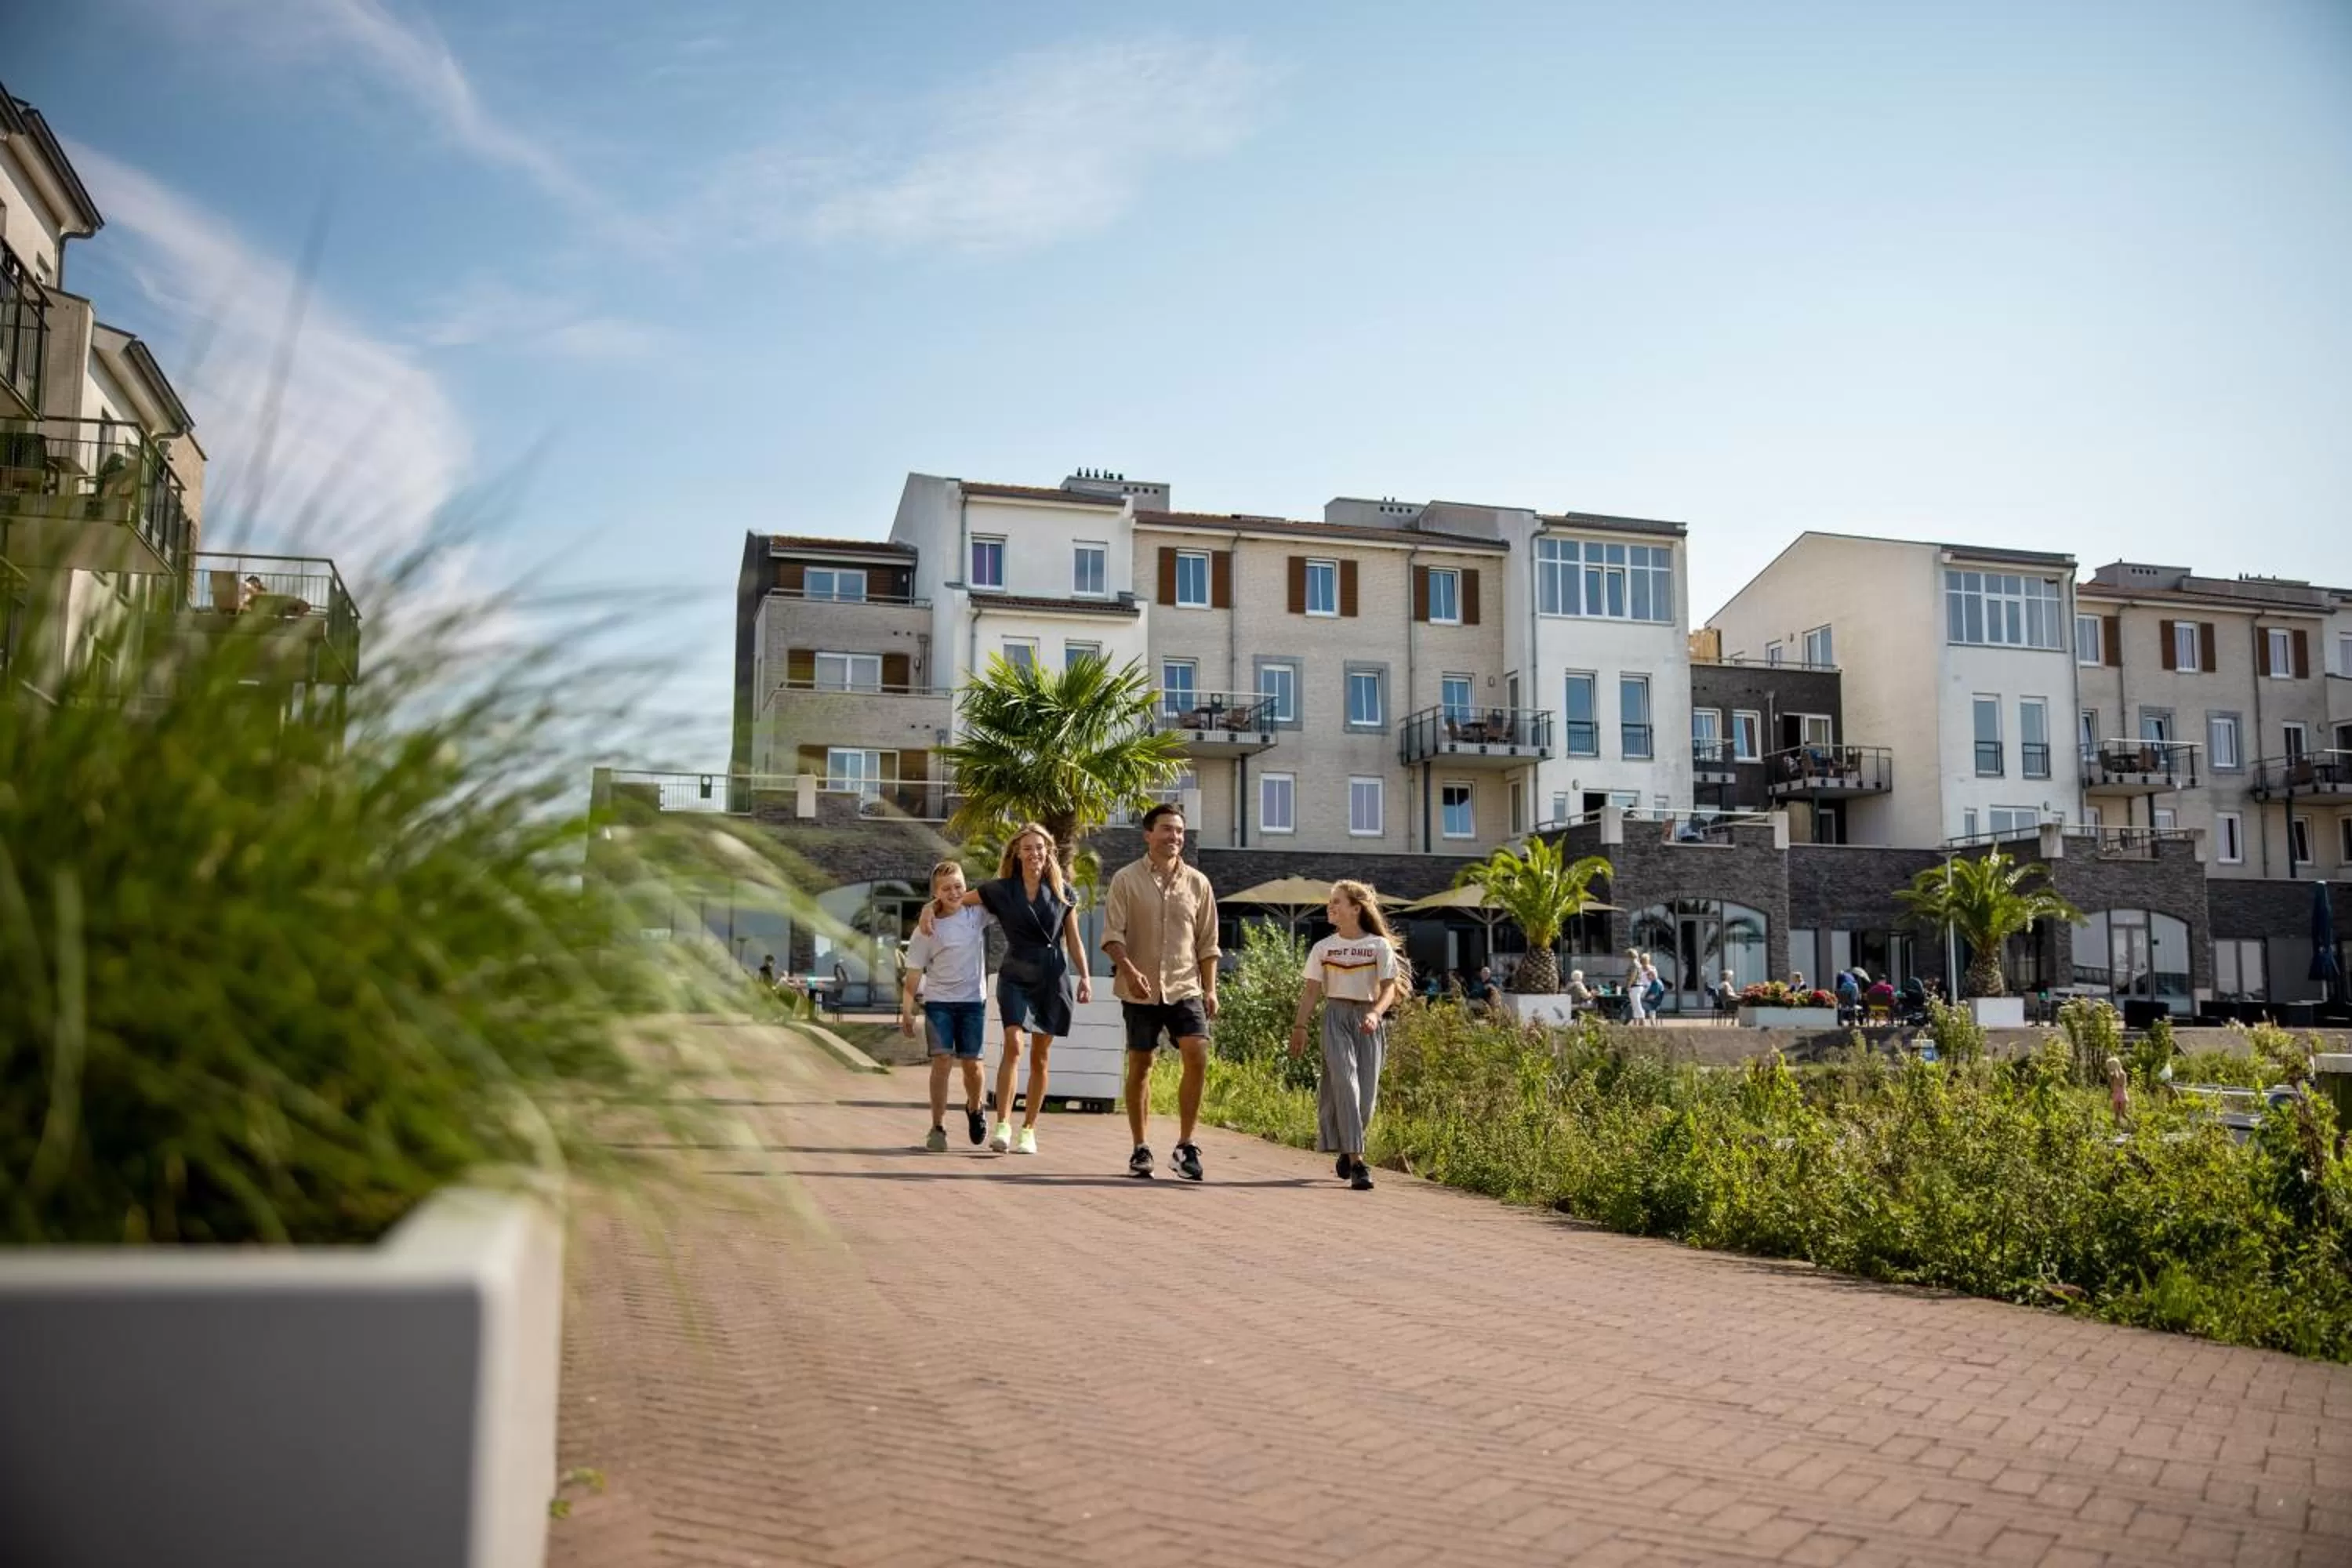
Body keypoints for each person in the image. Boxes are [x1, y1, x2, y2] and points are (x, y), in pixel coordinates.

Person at [919, 823, 1092, 1154]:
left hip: (1052, 976)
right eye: (1027, 848)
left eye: (1039, 848)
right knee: (1014, 1044)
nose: (1034, 854)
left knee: (1041, 1057)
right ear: (1016, 853)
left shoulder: (1064, 893)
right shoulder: (999, 890)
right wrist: (928, 908)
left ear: (1048, 852)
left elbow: (1074, 939)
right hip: (1015, 975)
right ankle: (1003, 1125)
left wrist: (1084, 976)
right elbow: (952, 900)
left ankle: (1028, 1129)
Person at [1102, 803, 1220, 1181]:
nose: (1175, 837)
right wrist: (1131, 971)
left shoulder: (1199, 883)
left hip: (1186, 986)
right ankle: (1140, 1148)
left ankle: (1185, 1146)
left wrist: (1211, 989)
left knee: (1197, 1052)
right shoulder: (1125, 879)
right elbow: (1112, 936)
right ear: (1148, 835)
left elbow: (1208, 943)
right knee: (1141, 1064)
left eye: (1180, 831)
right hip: (1139, 988)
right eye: (1167, 829)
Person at [1288, 880, 1410, 1191]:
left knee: (1365, 1098)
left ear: (1356, 908)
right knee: (1345, 1083)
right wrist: (1299, 1028)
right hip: (1335, 1018)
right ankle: (1358, 1163)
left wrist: (1375, 1013)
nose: (1330, 906)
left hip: (1369, 1020)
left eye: (1337, 901)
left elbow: (1389, 988)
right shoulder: (1323, 948)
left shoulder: (1378, 947)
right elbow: (1312, 990)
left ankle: (1346, 1149)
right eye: (1330, 902)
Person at [900, 860, 991, 1152]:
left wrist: (930, 904)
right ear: (936, 892)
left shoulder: (977, 915)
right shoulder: (926, 930)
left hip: (972, 1002)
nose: (954, 893)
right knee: (941, 1062)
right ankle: (937, 1127)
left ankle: (975, 1108)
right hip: (939, 1002)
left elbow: (1000, 889)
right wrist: (907, 1010)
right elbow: (913, 975)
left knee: (972, 1065)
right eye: (946, 888)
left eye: (958, 886)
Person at [1624, 949, 1648, 1025]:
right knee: (1635, 1005)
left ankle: (1643, 1022)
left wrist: (1629, 985)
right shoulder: (1637, 964)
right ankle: (1637, 1023)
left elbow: (1633, 975)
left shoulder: (1634, 964)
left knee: (1637, 1005)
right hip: (1637, 986)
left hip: (1635, 987)